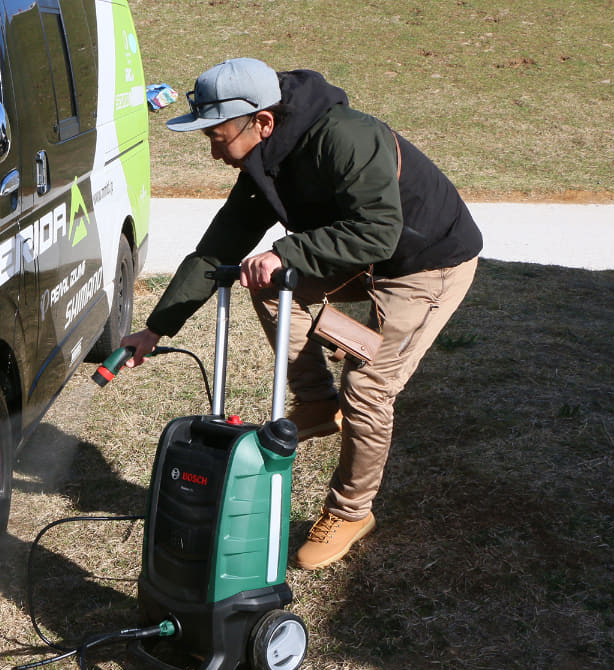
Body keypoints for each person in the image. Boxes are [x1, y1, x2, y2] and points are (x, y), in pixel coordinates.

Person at [121, 58, 482, 570]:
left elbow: (379, 232)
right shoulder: (264, 154)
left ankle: (352, 511)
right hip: (366, 253)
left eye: (218, 137)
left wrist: (286, 253)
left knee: (369, 387)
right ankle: (316, 402)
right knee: (271, 287)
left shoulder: (346, 138)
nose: (214, 150)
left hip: (427, 262)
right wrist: (156, 329)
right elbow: (221, 244)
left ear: (261, 122)